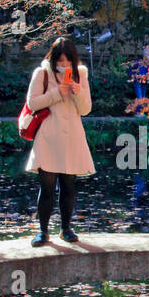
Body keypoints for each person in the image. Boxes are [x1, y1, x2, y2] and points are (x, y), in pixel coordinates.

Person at [24, 36, 94, 245]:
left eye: (67, 62)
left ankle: (66, 228)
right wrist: (57, 93)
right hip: (48, 137)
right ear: (53, 60)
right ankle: (43, 231)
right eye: (60, 62)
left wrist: (77, 92)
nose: (64, 66)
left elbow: (86, 109)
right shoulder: (42, 73)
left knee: (68, 186)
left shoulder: (80, 74)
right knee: (46, 186)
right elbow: (32, 103)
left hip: (72, 136)